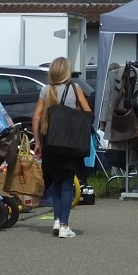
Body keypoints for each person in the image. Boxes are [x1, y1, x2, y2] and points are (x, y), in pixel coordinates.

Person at [34, 56, 92, 237]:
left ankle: (57, 220)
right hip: (68, 142)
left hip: (50, 141)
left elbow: (36, 117)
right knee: (67, 184)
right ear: (67, 71)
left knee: (56, 183)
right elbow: (88, 112)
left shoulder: (45, 90)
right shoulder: (75, 88)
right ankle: (65, 226)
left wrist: (37, 142)